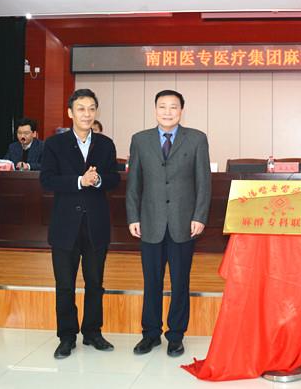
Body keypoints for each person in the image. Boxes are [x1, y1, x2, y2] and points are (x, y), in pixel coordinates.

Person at [127, 89, 211, 358]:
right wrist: (133, 216)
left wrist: (199, 216)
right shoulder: (140, 140)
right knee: (151, 282)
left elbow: (204, 182)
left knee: (180, 282)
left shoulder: (196, 139)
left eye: (173, 107)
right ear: (155, 110)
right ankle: (150, 334)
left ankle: (176, 336)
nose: (167, 112)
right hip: (150, 222)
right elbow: (134, 183)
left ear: (181, 111)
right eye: (162, 106)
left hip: (183, 223)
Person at [40, 89, 120, 359]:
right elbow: (47, 180)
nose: (87, 114)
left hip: (96, 225)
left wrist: (98, 180)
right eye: (81, 109)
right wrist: (79, 181)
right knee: (65, 285)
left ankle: (93, 332)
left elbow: (114, 178)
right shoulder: (55, 144)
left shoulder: (106, 144)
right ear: (70, 113)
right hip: (65, 226)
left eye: (91, 109)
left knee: (95, 283)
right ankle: (66, 336)